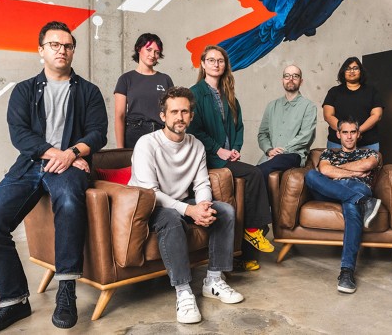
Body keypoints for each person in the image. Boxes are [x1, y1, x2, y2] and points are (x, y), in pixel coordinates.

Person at [0, 21, 108, 333]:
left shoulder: (88, 91)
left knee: (69, 203)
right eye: (54, 45)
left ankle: (66, 290)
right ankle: (14, 301)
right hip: (30, 165)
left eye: (67, 45)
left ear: (73, 51)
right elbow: (20, 134)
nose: (62, 50)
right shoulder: (23, 90)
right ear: (41, 50)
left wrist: (72, 154)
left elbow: (97, 133)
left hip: (70, 167)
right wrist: (57, 153)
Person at [129, 86, 243, 324]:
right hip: (148, 207)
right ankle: (183, 291)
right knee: (171, 219)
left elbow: (202, 183)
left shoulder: (196, 145)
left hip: (180, 201)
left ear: (191, 115)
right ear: (163, 116)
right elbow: (151, 193)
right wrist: (189, 210)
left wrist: (203, 206)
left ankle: (213, 280)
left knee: (225, 211)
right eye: (174, 112)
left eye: (184, 112)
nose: (179, 117)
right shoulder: (146, 144)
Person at [188, 45, 273, 271]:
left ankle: (247, 251)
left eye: (221, 61)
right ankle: (256, 230)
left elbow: (239, 126)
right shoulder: (195, 93)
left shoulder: (229, 94)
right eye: (212, 60)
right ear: (203, 64)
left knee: (249, 183)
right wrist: (219, 150)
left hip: (227, 157)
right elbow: (194, 131)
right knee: (255, 173)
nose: (217, 64)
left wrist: (235, 148)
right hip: (209, 158)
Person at [304, 119, 382, 294]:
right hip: (331, 192)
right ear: (338, 134)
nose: (349, 136)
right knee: (310, 175)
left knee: (352, 207)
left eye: (353, 132)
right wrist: (355, 172)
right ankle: (362, 200)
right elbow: (324, 171)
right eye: (345, 132)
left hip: (357, 187)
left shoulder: (370, 152)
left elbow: (368, 164)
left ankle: (347, 272)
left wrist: (338, 170)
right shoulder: (328, 153)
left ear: (358, 134)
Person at [256, 64, 317, 180]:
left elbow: (305, 137)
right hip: (270, 155)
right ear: (282, 80)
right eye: (287, 76)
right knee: (253, 173)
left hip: (293, 155)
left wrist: (282, 151)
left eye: (295, 76)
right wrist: (269, 150)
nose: (291, 79)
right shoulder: (271, 106)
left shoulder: (309, 106)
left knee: (262, 171)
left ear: (301, 81)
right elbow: (262, 134)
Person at [114, 33, 174, 148]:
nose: (152, 55)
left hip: (161, 134)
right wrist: (120, 149)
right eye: (149, 50)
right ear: (138, 49)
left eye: (156, 52)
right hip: (134, 134)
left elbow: (171, 112)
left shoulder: (165, 79)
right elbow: (119, 116)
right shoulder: (126, 79)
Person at [322, 57, 383, 151]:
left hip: (368, 143)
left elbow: (377, 115)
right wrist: (345, 133)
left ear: (361, 71)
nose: (352, 71)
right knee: (334, 166)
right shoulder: (334, 92)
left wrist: (357, 132)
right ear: (343, 72)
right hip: (337, 143)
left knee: (368, 165)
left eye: (355, 68)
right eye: (348, 68)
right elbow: (328, 115)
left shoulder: (372, 91)